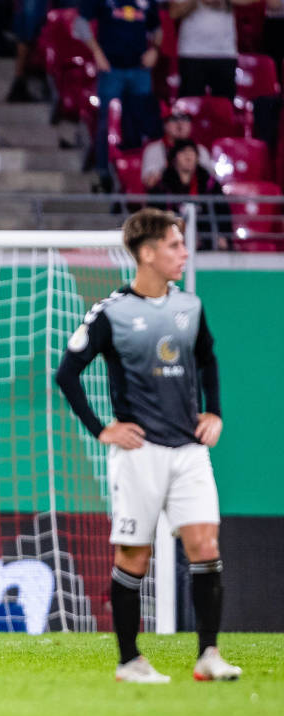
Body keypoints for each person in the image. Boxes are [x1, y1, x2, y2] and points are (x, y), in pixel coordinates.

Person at [55, 208, 240, 684]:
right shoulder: (111, 311)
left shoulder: (190, 306)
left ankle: (208, 656)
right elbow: (67, 373)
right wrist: (101, 429)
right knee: (134, 557)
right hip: (139, 454)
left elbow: (208, 358)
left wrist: (214, 411)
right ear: (147, 252)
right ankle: (129, 661)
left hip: (188, 451)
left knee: (205, 544)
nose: (184, 253)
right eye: (175, 245)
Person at [75, 0, 163, 191]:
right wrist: (97, 52)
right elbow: (80, 23)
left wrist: (154, 50)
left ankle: (139, 176)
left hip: (140, 70)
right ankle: (104, 173)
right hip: (111, 69)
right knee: (107, 124)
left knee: (143, 124)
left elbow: (157, 28)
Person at [147, 139, 231, 250]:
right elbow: (153, 216)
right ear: (174, 158)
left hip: (206, 241)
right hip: (170, 241)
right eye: (183, 152)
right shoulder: (162, 186)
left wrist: (223, 236)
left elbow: (223, 212)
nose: (188, 156)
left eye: (192, 152)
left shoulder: (210, 184)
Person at [170, 0, 249, 100]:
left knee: (225, 107)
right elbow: (173, 13)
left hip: (224, 53)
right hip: (191, 53)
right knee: (190, 105)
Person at [141, 111, 213, 188]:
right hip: (167, 196)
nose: (180, 124)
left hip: (196, 197)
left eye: (185, 119)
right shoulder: (153, 149)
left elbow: (210, 183)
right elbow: (149, 183)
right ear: (165, 124)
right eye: (173, 119)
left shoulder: (201, 150)